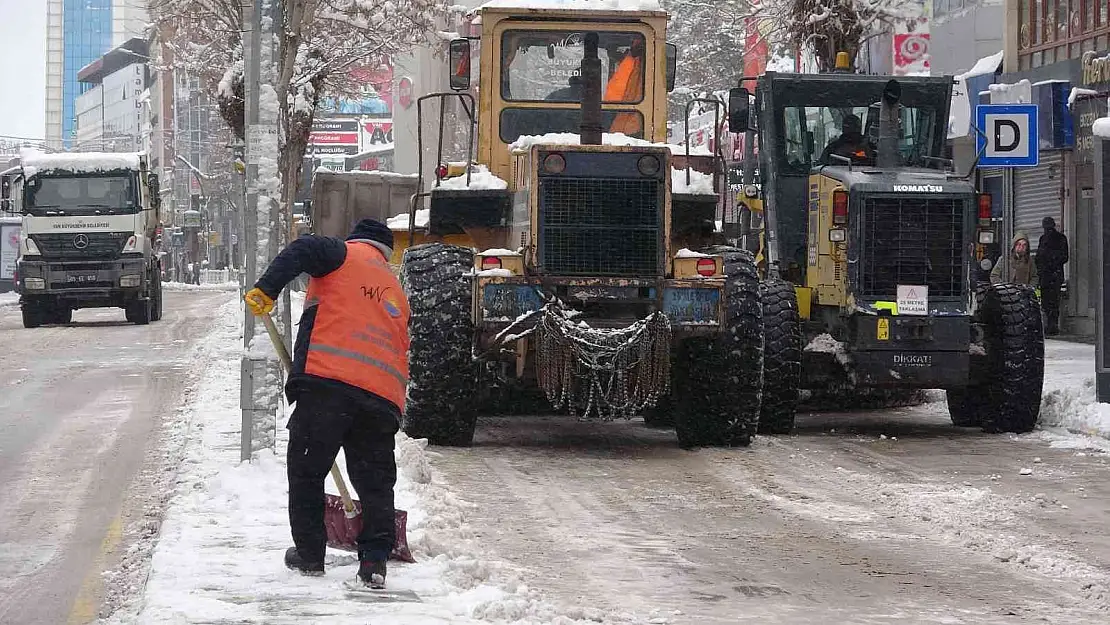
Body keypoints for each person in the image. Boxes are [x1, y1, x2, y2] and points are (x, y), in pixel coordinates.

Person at [243, 219, 410, 589]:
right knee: (375, 483)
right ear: (387, 252)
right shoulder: (395, 287)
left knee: (307, 470)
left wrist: (267, 289)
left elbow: (301, 249)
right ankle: (374, 561)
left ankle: (310, 554)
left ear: (358, 240)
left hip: (328, 386)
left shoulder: (342, 253)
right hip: (382, 399)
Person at [1036, 216, 1069, 335]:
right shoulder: (1044, 238)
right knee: (1048, 302)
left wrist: (1049, 260)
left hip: (1052, 274)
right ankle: (1050, 325)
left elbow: (1064, 257)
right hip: (1048, 275)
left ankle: (1052, 325)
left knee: (1052, 302)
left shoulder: (1059, 238)